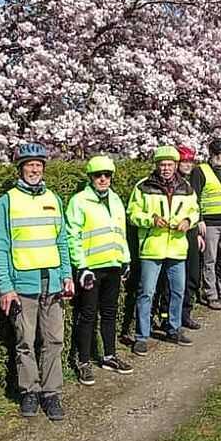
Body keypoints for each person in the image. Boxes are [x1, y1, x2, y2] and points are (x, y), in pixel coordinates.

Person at [0, 142, 73, 420]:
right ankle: (29, 391)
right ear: (21, 168)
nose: (34, 169)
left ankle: (51, 394)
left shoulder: (54, 199)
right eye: (29, 165)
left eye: (38, 165)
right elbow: (0, 246)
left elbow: (61, 241)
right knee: (25, 341)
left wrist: (67, 275)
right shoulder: (7, 202)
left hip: (52, 284)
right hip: (22, 285)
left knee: (54, 341)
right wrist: (6, 287)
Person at [66, 155, 134, 386]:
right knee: (87, 315)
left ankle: (109, 356)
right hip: (91, 269)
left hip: (113, 266)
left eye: (107, 175)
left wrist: (125, 260)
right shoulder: (79, 201)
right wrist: (81, 266)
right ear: (91, 178)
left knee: (109, 313)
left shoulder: (115, 199)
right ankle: (83, 361)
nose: (103, 179)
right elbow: (72, 235)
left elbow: (119, 232)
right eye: (98, 175)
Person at [127, 145, 199, 354]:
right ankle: (142, 336)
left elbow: (195, 210)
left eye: (169, 164)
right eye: (162, 164)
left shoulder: (186, 187)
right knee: (146, 293)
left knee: (178, 291)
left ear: (176, 166)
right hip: (152, 247)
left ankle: (174, 329)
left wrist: (188, 220)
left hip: (177, 248)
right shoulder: (143, 186)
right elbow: (132, 213)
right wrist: (150, 220)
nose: (166, 168)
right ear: (157, 166)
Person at [189, 139, 221, 310]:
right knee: (209, 260)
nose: (220, 156)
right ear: (210, 154)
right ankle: (211, 294)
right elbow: (194, 197)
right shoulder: (200, 171)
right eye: (216, 153)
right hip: (210, 223)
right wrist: (199, 219)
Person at [177, 145, 205, 329]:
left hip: (191, 232)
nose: (188, 164)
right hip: (176, 234)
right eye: (184, 161)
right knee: (175, 280)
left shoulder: (189, 184)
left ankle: (185, 313)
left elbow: (194, 208)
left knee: (192, 275)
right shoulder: (174, 183)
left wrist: (196, 231)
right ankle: (169, 316)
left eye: (190, 161)